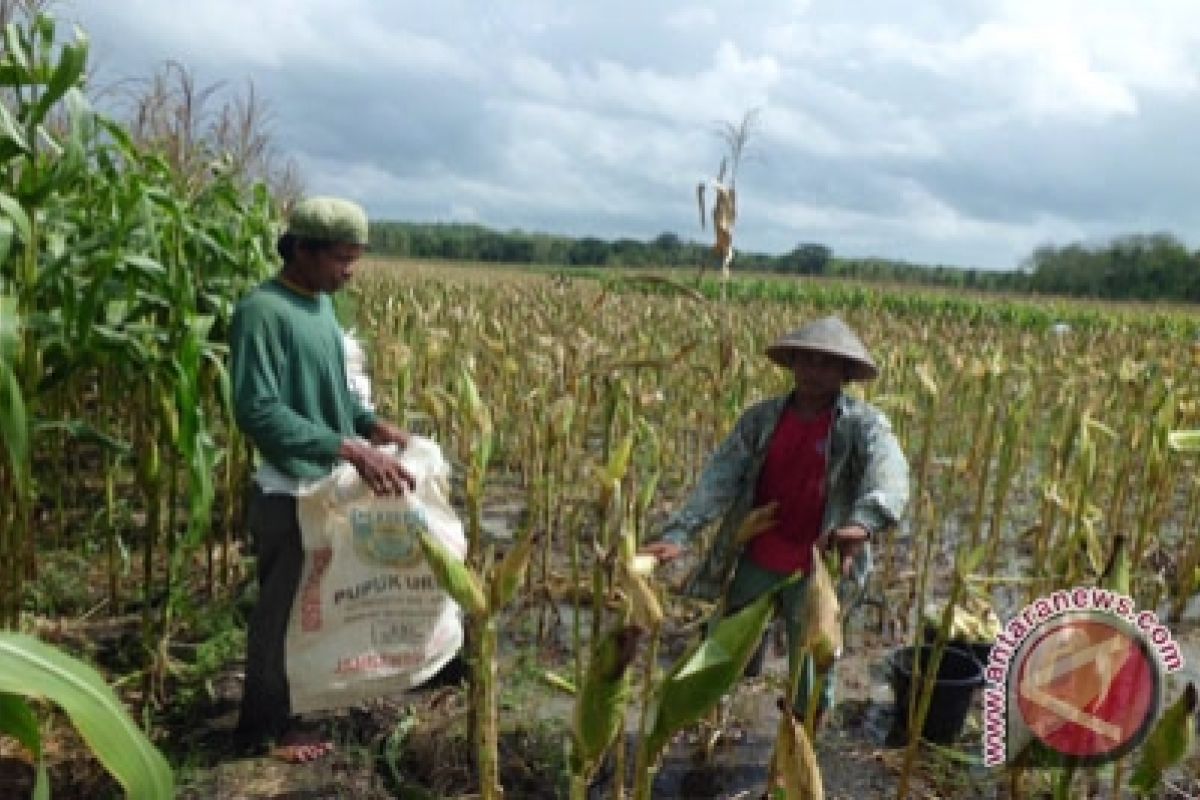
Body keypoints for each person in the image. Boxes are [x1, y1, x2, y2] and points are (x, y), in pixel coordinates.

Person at [642, 315, 909, 728]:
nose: (813, 372)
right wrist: (682, 532)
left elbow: (889, 471)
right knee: (724, 646)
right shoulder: (761, 419)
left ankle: (801, 742)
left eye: (825, 363)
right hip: (762, 553)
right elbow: (721, 476)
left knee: (812, 660)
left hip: (820, 563)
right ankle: (707, 723)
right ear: (792, 364)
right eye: (805, 360)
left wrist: (864, 522)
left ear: (844, 373)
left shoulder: (863, 426)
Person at [229, 196, 415, 762]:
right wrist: (344, 447)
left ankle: (296, 707)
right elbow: (257, 408)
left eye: (355, 259)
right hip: (290, 492)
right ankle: (262, 729)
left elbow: (334, 396)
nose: (349, 271)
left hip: (325, 489)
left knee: (317, 608)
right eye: (341, 259)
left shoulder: (322, 308)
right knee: (281, 612)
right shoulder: (264, 310)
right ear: (302, 250)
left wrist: (371, 427)